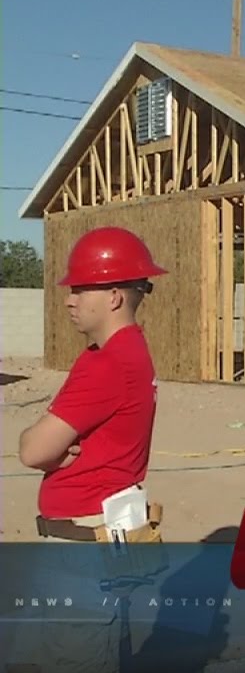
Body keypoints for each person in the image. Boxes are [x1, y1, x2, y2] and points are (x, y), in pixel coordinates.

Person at [19, 226, 167, 543]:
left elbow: (32, 450)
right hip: (106, 526)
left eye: (80, 290)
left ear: (114, 297)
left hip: (87, 536)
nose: (69, 302)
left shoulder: (108, 363)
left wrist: (46, 447)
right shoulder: (130, 350)